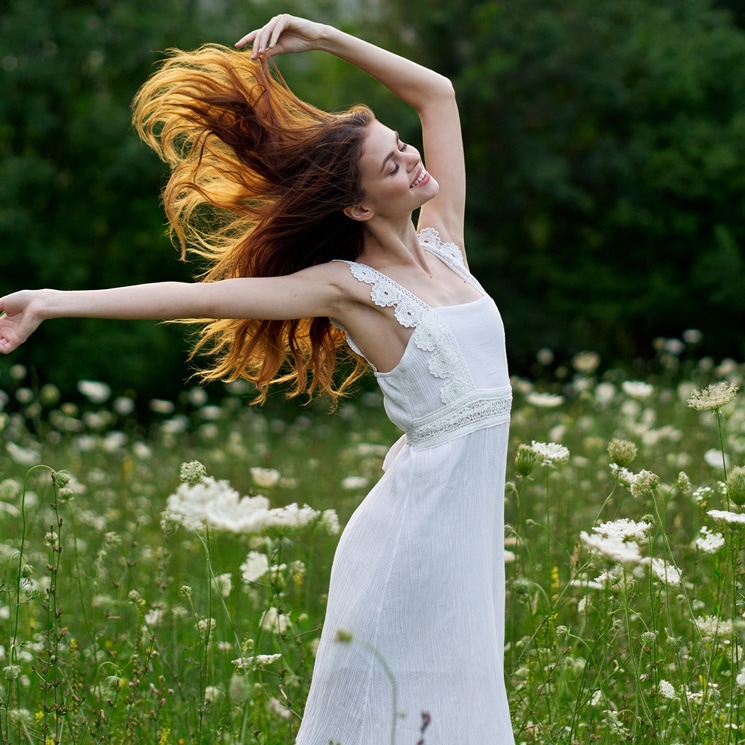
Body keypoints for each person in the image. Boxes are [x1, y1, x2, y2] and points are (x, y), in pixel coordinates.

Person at [0, 14, 515, 744]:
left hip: (464, 540)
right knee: (396, 718)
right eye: (392, 164)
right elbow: (198, 298)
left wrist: (326, 39)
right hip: (412, 540)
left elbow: (437, 94)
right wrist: (52, 302)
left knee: (459, 712)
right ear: (359, 206)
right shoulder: (348, 286)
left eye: (400, 147)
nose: (411, 159)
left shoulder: (446, 241)